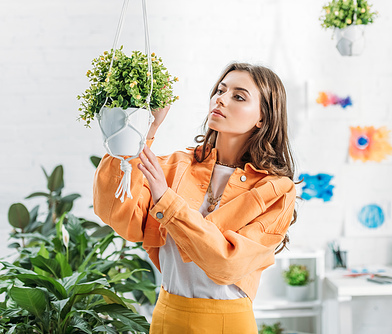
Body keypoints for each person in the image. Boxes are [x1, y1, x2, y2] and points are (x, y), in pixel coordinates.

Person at [93, 62, 297, 333]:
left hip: (228, 322)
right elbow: (116, 213)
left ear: (262, 117)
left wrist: (166, 201)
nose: (221, 99)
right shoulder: (175, 166)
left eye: (238, 96)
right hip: (168, 314)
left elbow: (226, 264)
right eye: (220, 90)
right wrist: (144, 129)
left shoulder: (275, 190)